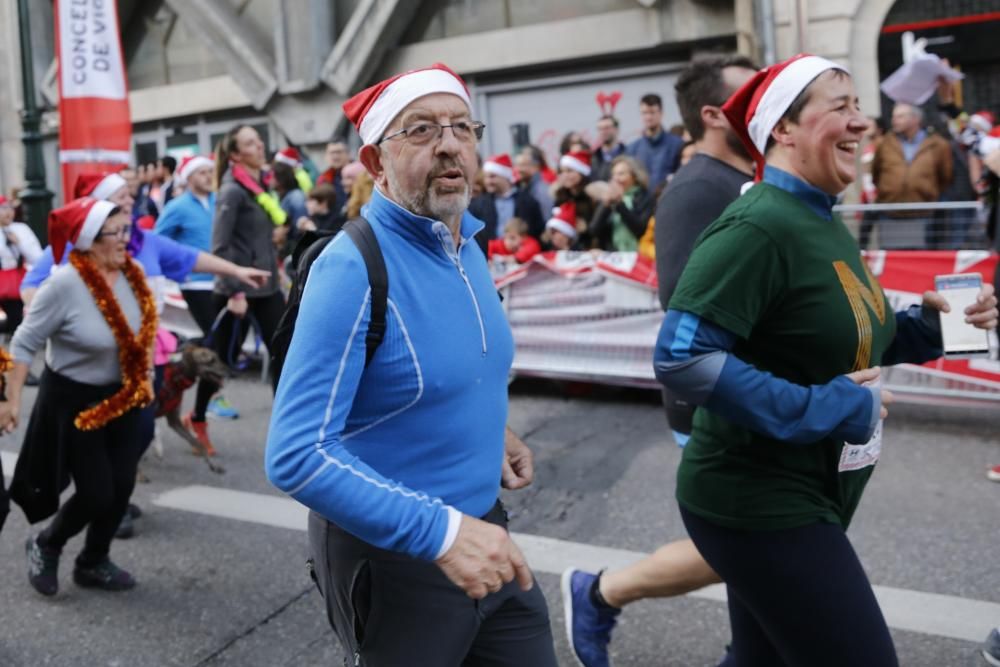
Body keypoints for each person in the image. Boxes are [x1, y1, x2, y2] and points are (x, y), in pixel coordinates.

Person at [661, 54, 994, 665]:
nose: (862, 123)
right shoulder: (757, 223)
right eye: (840, 107)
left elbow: (850, 335)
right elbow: (683, 358)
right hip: (756, 498)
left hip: (806, 487)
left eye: (860, 107)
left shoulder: (820, 217)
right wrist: (828, 406)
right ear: (783, 130)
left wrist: (940, 325)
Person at [265, 62, 556, 666]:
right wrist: (441, 535)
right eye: (421, 130)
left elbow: (450, 369)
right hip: (399, 558)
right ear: (376, 164)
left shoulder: (465, 242)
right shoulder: (350, 268)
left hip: (485, 534)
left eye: (461, 128)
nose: (449, 145)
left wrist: (487, 429)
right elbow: (296, 454)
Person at [562, 54, 758, 667]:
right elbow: (686, 308)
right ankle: (599, 592)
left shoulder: (745, 179)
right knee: (754, 547)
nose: (765, 98)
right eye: (750, 91)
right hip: (719, 401)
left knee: (761, 548)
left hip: (757, 395)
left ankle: (748, 650)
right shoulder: (696, 188)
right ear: (712, 114)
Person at [2, 198, 159, 595]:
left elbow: (143, 336)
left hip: (123, 395)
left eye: (128, 230)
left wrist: (148, 376)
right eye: (117, 232)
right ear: (89, 240)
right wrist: (11, 399)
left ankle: (93, 561)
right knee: (96, 492)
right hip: (73, 401)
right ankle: (46, 543)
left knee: (121, 486)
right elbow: (23, 342)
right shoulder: (64, 284)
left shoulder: (133, 274)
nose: (127, 239)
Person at [188, 125, 287, 445]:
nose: (260, 146)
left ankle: (287, 430)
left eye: (259, 140)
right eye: (250, 143)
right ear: (235, 155)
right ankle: (198, 417)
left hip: (268, 287)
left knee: (284, 353)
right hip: (237, 291)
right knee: (220, 363)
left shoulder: (261, 185)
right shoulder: (232, 190)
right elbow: (220, 246)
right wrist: (236, 291)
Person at [872, 103, 953, 248]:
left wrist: (925, 191)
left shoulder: (938, 145)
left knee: (921, 261)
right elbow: (876, 173)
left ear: (915, 119)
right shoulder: (884, 143)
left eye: (900, 116)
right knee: (892, 260)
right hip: (890, 213)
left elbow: (945, 176)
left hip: (923, 214)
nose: (894, 120)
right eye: (894, 116)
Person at [470, 153, 544, 254]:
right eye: (486, 177)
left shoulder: (528, 201)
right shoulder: (478, 204)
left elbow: (537, 232)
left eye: (492, 177)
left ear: (505, 176)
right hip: (490, 256)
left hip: (522, 256)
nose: (488, 181)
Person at [588, 155, 654, 251]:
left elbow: (641, 230)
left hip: (638, 254)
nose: (616, 179)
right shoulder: (608, 197)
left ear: (634, 176)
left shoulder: (645, 197)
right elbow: (594, 230)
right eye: (614, 175)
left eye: (621, 174)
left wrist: (619, 204)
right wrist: (606, 205)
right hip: (613, 255)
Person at [626, 93, 685, 192]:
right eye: (644, 113)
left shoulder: (677, 144)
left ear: (661, 113)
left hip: (668, 200)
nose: (648, 117)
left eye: (652, 112)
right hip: (641, 205)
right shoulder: (632, 148)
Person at [0, 195, 42, 334]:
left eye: (10, 207)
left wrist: (19, 243)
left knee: (15, 317)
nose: (8, 212)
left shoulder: (21, 229)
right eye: (3, 208)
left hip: (16, 280)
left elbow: (37, 258)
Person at [553, 150, 599, 248]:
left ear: (581, 172)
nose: (565, 175)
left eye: (569, 171)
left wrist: (586, 229)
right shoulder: (560, 196)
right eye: (562, 172)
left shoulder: (592, 196)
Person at [515, 147, 554, 215]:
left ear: (536, 167)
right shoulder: (517, 189)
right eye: (517, 165)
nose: (519, 169)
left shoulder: (543, 190)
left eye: (524, 165)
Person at [316, 139, 350, 212]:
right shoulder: (323, 179)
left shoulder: (359, 174)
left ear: (347, 154)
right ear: (326, 156)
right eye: (332, 153)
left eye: (339, 152)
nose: (335, 156)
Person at [591, 115, 627, 182]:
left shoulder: (628, 154)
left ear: (616, 129)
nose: (603, 132)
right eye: (600, 129)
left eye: (607, 128)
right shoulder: (593, 158)